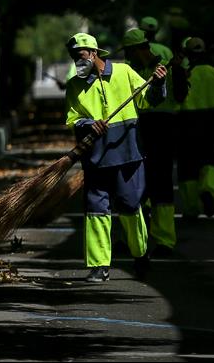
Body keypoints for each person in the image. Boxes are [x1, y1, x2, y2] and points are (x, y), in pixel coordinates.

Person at [64, 32, 167, 282]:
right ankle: (100, 266)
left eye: (80, 56)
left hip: (128, 156)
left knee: (131, 207)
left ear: (94, 53)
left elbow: (148, 101)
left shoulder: (123, 72)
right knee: (96, 210)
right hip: (96, 159)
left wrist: (158, 83)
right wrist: (89, 124)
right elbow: (72, 119)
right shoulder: (74, 84)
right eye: (73, 58)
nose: (77, 62)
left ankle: (140, 255)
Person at [120, 28, 182, 257]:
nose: (126, 56)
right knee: (134, 181)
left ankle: (165, 239)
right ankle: (136, 239)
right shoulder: (131, 70)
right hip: (137, 127)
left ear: (138, 49)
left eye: (128, 51)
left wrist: (171, 77)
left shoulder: (165, 67)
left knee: (162, 182)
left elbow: (181, 95)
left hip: (164, 127)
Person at [177, 36, 214, 219]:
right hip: (212, 123)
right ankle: (208, 190)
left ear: (188, 54)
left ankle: (192, 207)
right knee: (210, 161)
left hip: (188, 124)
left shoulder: (186, 74)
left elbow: (177, 101)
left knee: (188, 168)